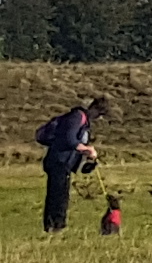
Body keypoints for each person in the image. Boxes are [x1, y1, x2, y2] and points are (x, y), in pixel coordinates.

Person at [36, 95, 108, 233]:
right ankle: (55, 226)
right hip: (59, 161)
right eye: (99, 114)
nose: (99, 118)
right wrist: (86, 149)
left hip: (64, 162)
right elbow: (69, 139)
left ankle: (54, 225)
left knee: (60, 194)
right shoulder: (77, 117)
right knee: (58, 195)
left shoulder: (82, 121)